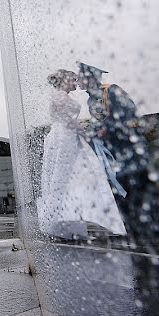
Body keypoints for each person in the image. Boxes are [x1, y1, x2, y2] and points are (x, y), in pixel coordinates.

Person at [78, 62, 159, 251]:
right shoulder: (90, 100)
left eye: (81, 77)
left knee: (142, 191)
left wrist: (103, 129)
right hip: (113, 155)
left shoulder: (112, 91)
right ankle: (136, 233)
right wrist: (90, 131)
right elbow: (98, 122)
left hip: (131, 151)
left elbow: (128, 116)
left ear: (91, 78)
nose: (79, 80)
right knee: (123, 194)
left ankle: (155, 233)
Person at [37, 69, 126, 239]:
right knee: (64, 178)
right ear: (65, 80)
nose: (76, 83)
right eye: (73, 79)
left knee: (74, 179)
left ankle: (71, 225)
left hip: (68, 136)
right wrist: (84, 132)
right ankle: (60, 222)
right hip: (64, 138)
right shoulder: (60, 96)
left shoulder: (62, 96)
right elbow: (68, 121)